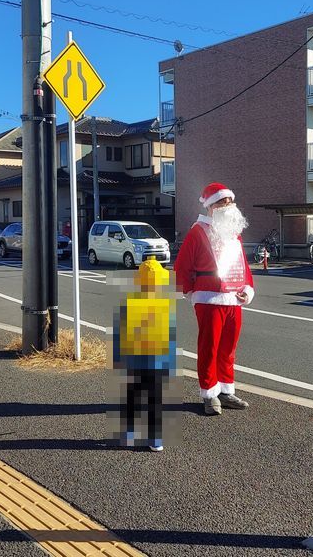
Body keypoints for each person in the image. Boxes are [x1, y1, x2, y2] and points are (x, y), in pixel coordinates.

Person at [174, 182, 255, 415]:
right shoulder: (198, 231)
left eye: (230, 201)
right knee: (209, 347)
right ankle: (209, 393)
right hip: (208, 298)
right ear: (210, 206)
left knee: (229, 348)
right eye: (221, 201)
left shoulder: (234, 235)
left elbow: (244, 267)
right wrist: (191, 291)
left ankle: (226, 391)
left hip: (233, 298)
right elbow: (183, 266)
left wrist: (247, 288)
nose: (227, 205)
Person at [112, 257, 176, 452]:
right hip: (156, 363)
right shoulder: (164, 305)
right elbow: (169, 339)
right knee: (154, 402)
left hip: (134, 362)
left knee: (132, 397)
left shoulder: (130, 302)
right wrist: (170, 364)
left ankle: (128, 434)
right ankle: (155, 438)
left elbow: (120, 335)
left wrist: (118, 359)